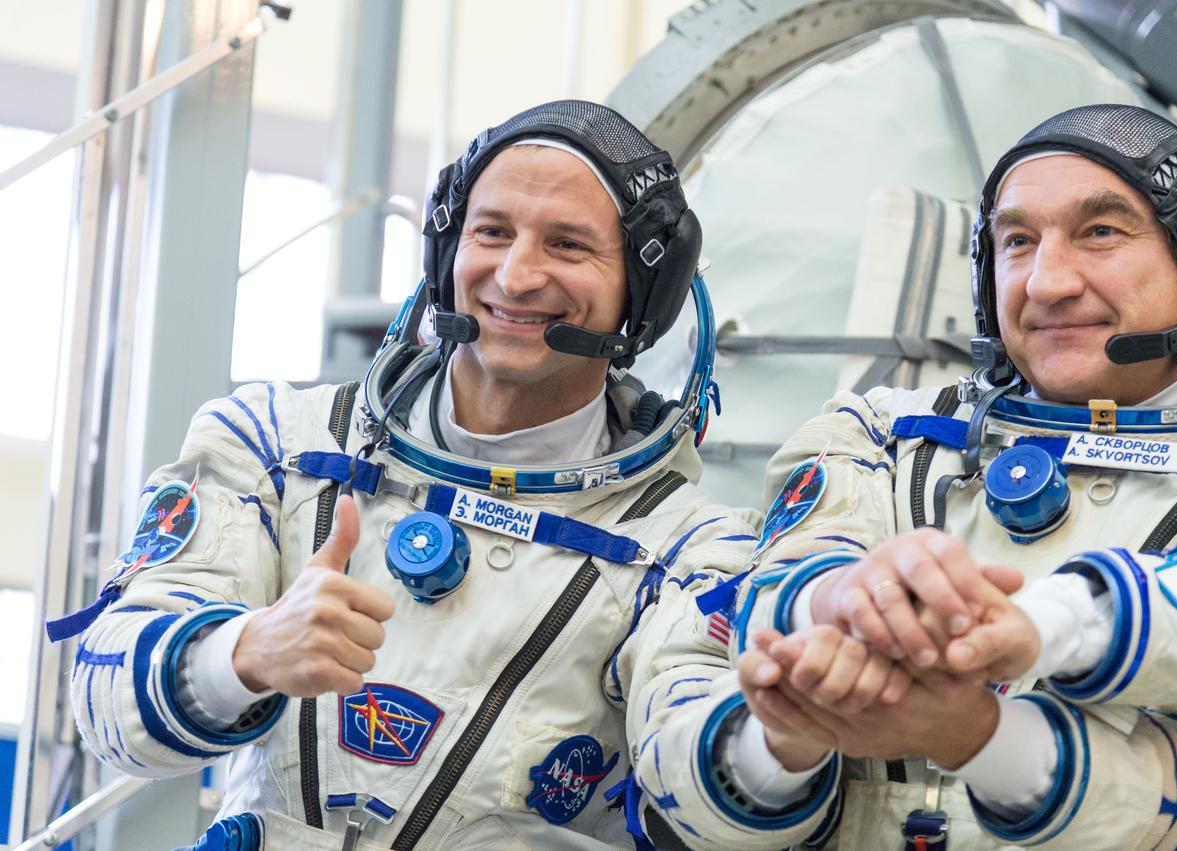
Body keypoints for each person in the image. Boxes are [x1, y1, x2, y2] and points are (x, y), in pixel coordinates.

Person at [53, 101, 842, 850]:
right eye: (491, 231)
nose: (517, 275)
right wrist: (243, 654)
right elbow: (102, 698)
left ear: (645, 290)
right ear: (444, 250)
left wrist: (785, 738)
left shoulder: (688, 546)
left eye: (568, 245)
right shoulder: (274, 443)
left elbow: (711, 799)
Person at [728, 103, 1177, 849]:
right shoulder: (883, 436)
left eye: (1100, 232)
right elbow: (773, 590)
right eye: (1016, 241)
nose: (1046, 283)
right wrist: (845, 602)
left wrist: (1040, 631)